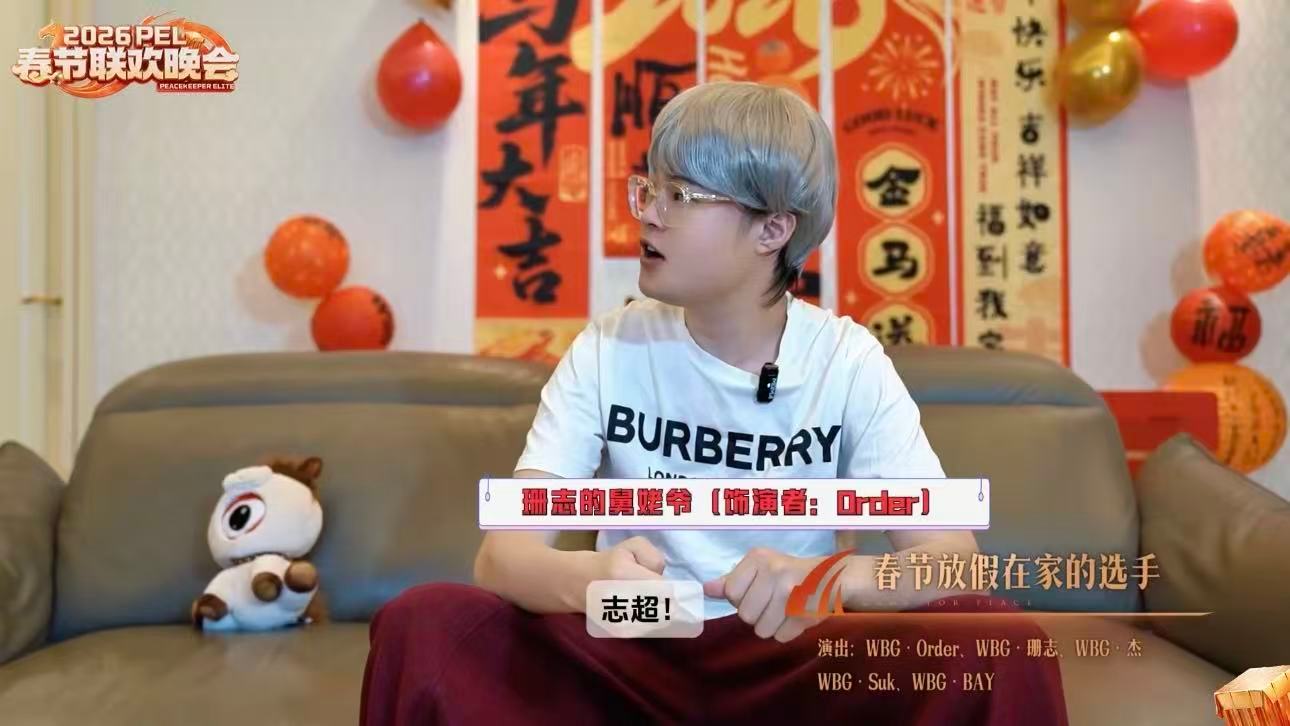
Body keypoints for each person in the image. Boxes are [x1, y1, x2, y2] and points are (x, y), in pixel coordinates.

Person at [361, 81, 1068, 725]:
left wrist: (828, 580)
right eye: (650, 188)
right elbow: (503, 558)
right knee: (425, 623)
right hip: (632, 655)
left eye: (682, 196)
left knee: (999, 640)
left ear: (772, 230)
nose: (648, 214)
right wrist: (587, 578)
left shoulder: (846, 361)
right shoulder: (609, 347)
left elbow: (954, 561)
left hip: (791, 663)